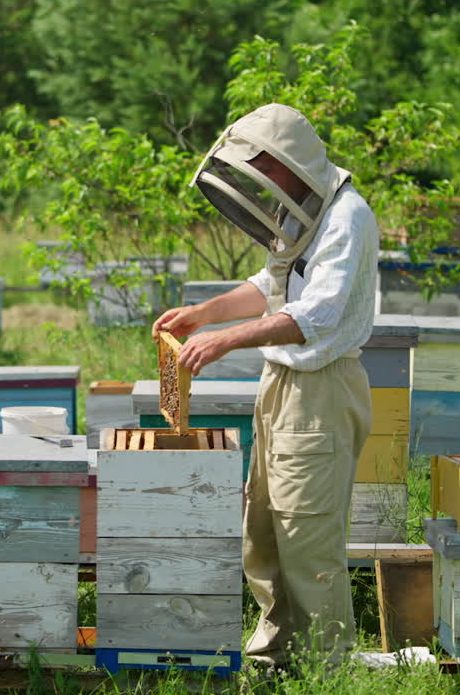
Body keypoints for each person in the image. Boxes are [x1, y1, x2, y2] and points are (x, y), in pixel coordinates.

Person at [152, 103, 379, 668]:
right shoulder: (302, 214)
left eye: (263, 166)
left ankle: (326, 665)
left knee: (308, 532)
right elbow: (269, 284)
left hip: (321, 387)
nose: (260, 180)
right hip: (281, 383)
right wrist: (204, 313)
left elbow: (317, 314)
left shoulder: (347, 217)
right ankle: (277, 652)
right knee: (265, 525)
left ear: (290, 163)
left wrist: (227, 340)